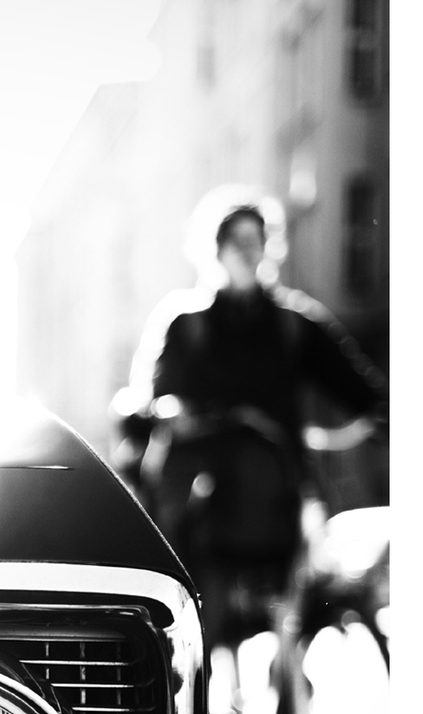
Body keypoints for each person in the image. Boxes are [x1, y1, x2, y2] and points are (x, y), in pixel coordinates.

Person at [114, 187, 387, 652]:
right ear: (214, 249)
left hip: (277, 499)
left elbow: (360, 392)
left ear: (268, 248)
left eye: (255, 239)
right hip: (204, 501)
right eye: (235, 239)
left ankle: (287, 670)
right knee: (186, 589)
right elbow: (148, 405)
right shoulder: (186, 324)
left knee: (315, 573)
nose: (246, 249)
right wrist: (158, 415)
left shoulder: (294, 323)